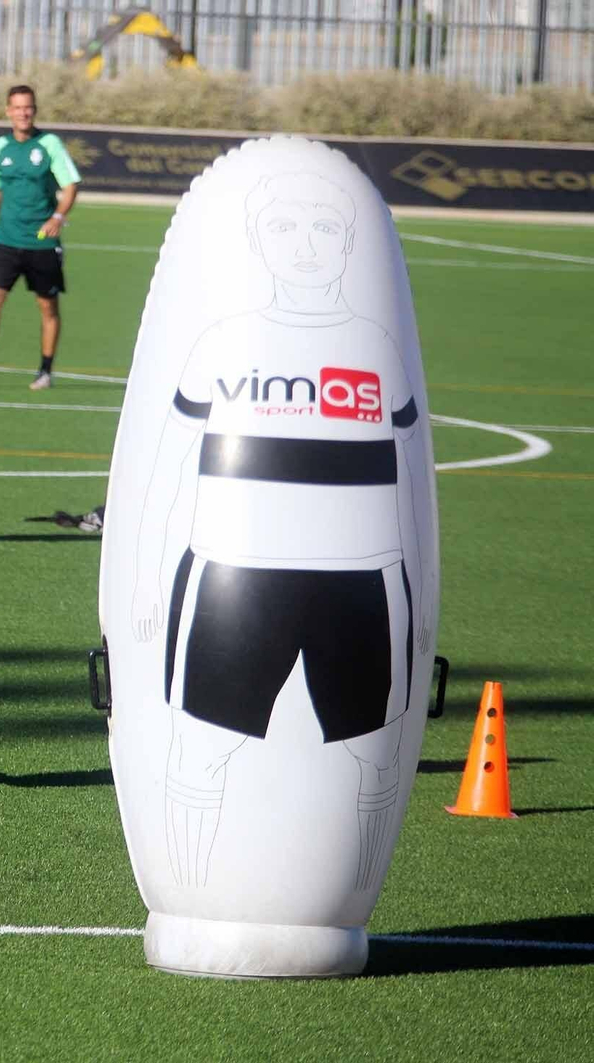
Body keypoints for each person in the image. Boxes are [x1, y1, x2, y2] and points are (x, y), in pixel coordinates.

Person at [129, 172, 435, 891]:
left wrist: (418, 603)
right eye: (286, 230)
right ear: (260, 243)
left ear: (349, 243)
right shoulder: (224, 343)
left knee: (373, 755)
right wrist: (146, 578)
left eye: (325, 230)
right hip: (237, 575)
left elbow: (409, 480)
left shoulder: (373, 349)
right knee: (200, 747)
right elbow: (169, 469)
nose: (306, 248)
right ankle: (192, 900)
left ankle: (348, 894)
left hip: (364, 580)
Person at [0, 84, 80, 392]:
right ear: (8, 111)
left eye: (29, 107)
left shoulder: (49, 144)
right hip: (6, 240)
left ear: (34, 110)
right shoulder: (0, 147)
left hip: (41, 242)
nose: (24, 113)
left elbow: (71, 187)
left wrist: (58, 218)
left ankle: (45, 371)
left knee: (47, 307)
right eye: (18, 107)